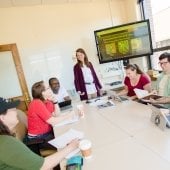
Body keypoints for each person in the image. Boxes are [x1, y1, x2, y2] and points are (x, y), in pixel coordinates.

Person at [0, 97, 79, 170]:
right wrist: (71, 147)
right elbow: (44, 166)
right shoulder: (5, 142)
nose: (15, 110)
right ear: (2, 118)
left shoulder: (5, 139)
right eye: (12, 109)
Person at [27, 81, 76, 148]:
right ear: (42, 92)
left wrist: (55, 102)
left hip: (48, 133)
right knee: (67, 143)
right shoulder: (36, 103)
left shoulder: (47, 101)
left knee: (69, 136)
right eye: (48, 88)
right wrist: (69, 115)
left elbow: (56, 115)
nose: (50, 89)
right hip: (38, 138)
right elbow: (52, 121)